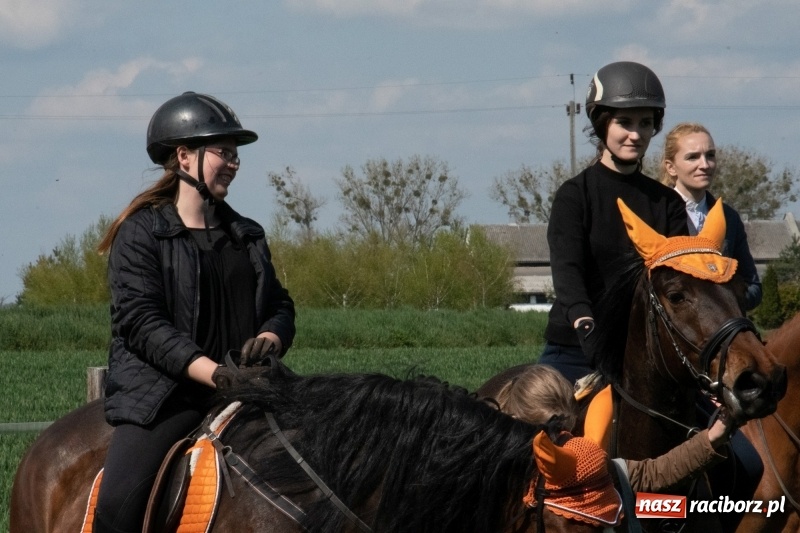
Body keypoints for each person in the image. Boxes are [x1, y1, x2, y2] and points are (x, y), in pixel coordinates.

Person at [93, 91, 296, 533]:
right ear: (184, 156)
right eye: (224, 152)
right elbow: (141, 323)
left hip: (250, 389)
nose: (234, 163)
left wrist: (271, 337)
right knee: (118, 504)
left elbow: (279, 304)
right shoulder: (141, 233)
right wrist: (215, 374)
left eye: (236, 154)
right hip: (166, 399)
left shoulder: (247, 234)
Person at [541, 61, 688, 384]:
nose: (635, 134)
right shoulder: (574, 196)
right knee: (538, 414)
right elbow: (568, 272)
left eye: (645, 123)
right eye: (624, 122)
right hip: (577, 348)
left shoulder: (668, 204)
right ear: (601, 123)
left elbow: (679, 281)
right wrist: (584, 321)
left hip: (647, 352)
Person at [495, 365, 736, 494]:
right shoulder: (502, 475)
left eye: (563, 433)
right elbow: (653, 474)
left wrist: (712, 438)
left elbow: (650, 475)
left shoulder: (584, 463)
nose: (563, 440)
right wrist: (712, 437)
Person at [659, 122, 762, 311]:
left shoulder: (729, 217)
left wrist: (724, 297)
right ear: (671, 167)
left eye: (710, 155)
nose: (705, 165)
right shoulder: (656, 213)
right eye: (692, 157)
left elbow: (753, 287)